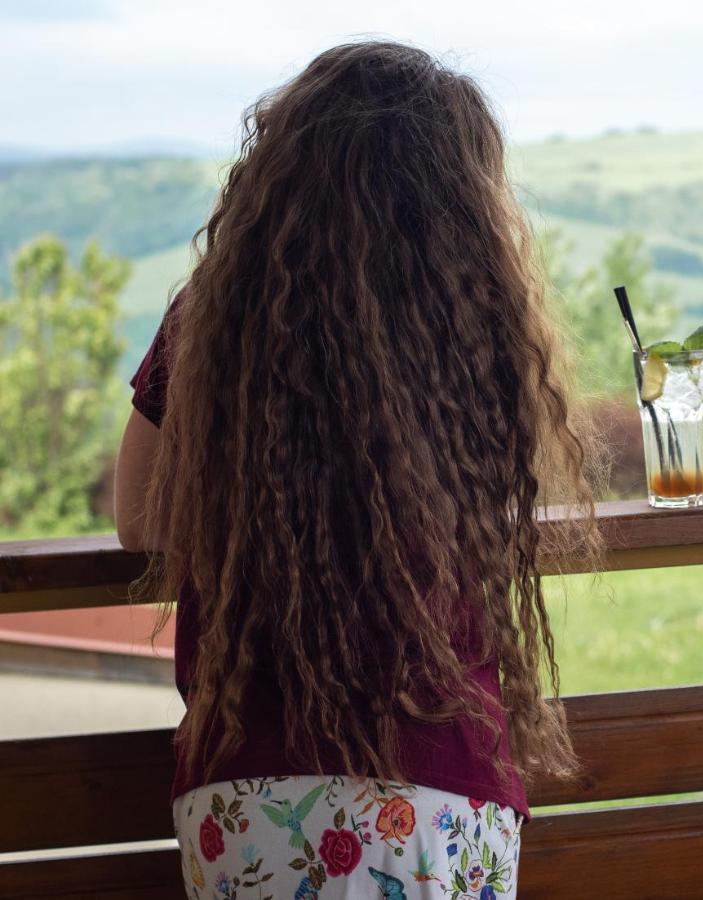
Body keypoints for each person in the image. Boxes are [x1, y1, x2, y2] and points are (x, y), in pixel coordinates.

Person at [113, 41, 601, 899]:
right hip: (444, 790)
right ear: (459, 197)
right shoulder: (479, 325)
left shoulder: (213, 320)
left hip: (245, 785)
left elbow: (141, 522)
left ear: (281, 172)